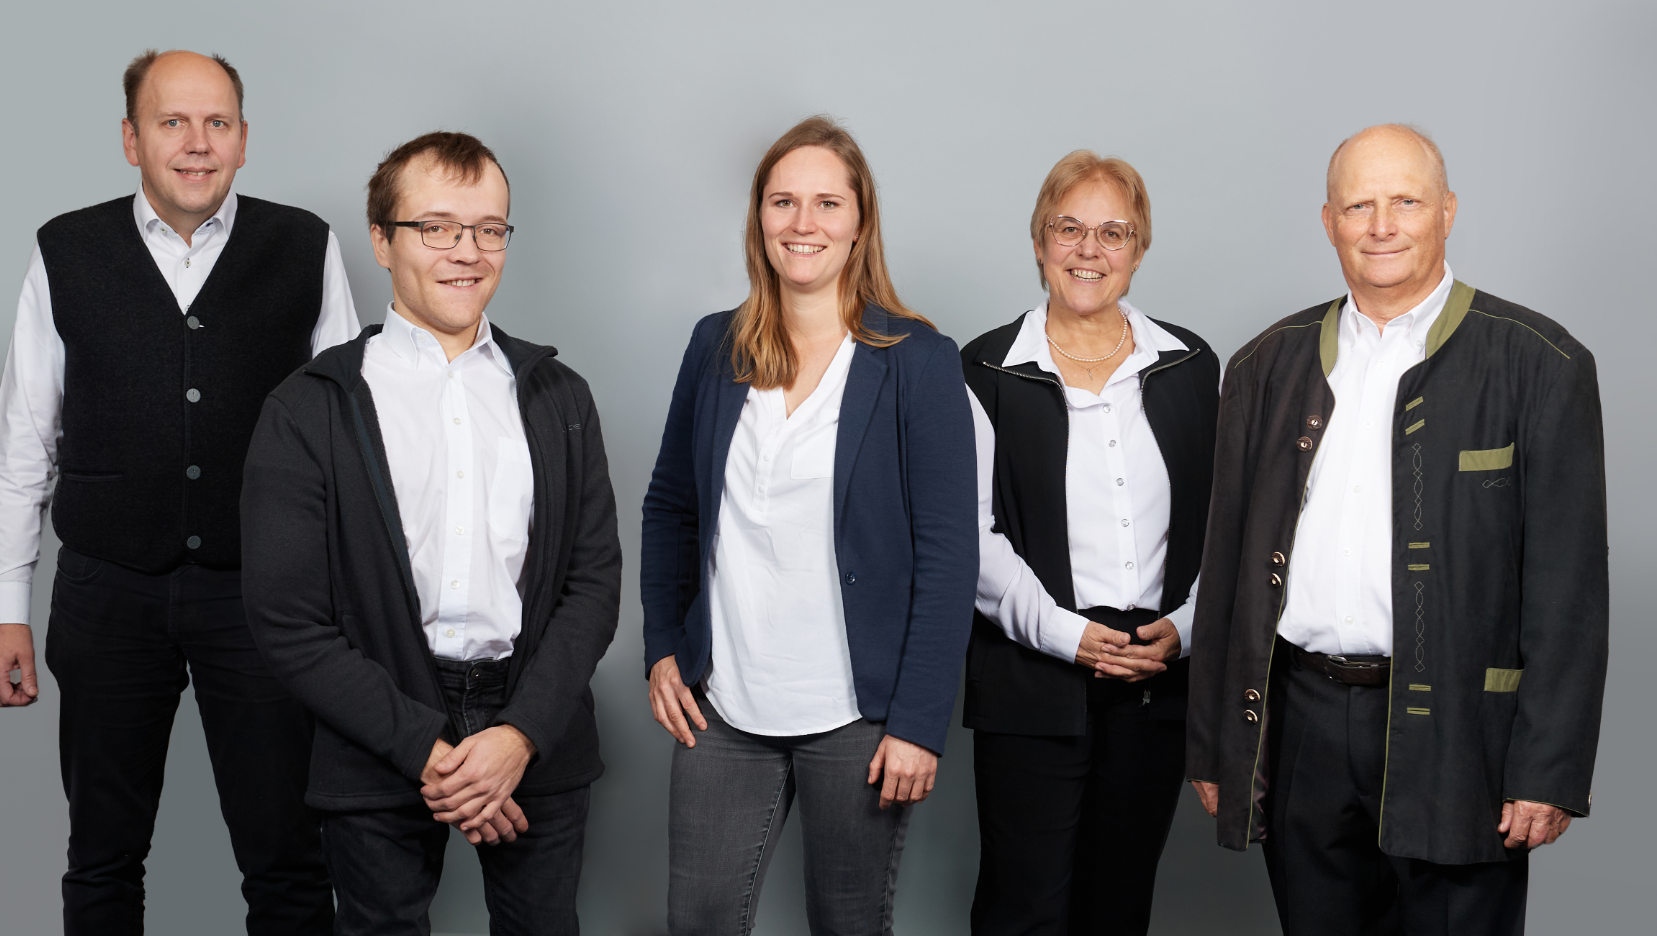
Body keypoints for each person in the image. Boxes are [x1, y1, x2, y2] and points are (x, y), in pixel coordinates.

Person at [1186, 125, 1607, 935]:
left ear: (1447, 211)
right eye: (1359, 206)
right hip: (1302, 722)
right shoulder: (1264, 365)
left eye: (1406, 201)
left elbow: (1571, 587)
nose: (1382, 225)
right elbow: (1228, 564)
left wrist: (1548, 768)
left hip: (1463, 731)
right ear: (1328, 222)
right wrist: (1214, 744)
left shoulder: (1540, 361)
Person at [0, 49, 356, 934]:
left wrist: (345, 606)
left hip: (266, 596)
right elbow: (23, 437)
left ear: (244, 140)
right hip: (107, 591)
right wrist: (4, 605)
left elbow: (345, 439)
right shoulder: (66, 249)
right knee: (102, 857)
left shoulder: (305, 245)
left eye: (217, 122)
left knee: (290, 859)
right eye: (172, 121)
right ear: (131, 139)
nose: (197, 143)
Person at [240, 131, 621, 936]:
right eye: (438, 227)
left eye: (489, 228)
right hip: (373, 722)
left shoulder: (560, 396)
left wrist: (517, 736)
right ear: (382, 240)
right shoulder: (308, 407)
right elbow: (287, 618)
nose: (468, 251)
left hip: (535, 716)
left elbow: (593, 585)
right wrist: (432, 753)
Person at [640, 116, 978, 936]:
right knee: (699, 922)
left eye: (828, 203)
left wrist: (918, 723)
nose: (803, 222)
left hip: (856, 714)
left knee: (847, 924)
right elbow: (671, 507)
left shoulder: (918, 360)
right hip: (725, 706)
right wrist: (662, 646)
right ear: (759, 217)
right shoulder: (715, 347)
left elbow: (948, 557)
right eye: (783, 201)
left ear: (860, 221)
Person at [960, 151, 1219, 936]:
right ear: (1039, 240)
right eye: (1069, 228)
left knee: (1118, 908)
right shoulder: (982, 368)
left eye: (1113, 232)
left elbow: (1226, 522)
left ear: (1139, 249)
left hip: (1154, 673)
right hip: (1030, 671)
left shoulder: (1190, 365)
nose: (1089, 250)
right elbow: (970, 534)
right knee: (1024, 909)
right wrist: (1065, 634)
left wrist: (1187, 628)